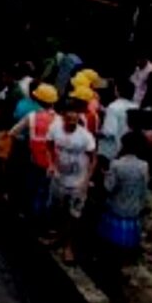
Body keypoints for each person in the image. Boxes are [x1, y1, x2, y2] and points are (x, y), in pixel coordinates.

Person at [48, 102, 95, 262]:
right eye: (68, 119)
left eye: (74, 120)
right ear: (63, 118)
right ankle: (59, 236)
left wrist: (86, 180)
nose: (71, 123)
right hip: (60, 178)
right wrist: (51, 163)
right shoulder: (55, 130)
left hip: (78, 181)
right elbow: (48, 144)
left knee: (74, 215)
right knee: (59, 210)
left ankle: (69, 246)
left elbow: (93, 158)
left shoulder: (85, 136)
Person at [8, 83, 59, 223]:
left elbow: (12, 133)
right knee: (45, 191)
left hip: (34, 159)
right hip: (52, 163)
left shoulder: (32, 116)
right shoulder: (59, 120)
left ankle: (29, 217)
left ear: (38, 100)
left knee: (31, 188)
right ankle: (41, 220)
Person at [98, 132, 149, 268]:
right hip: (133, 208)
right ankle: (126, 258)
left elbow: (109, 187)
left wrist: (105, 175)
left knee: (111, 239)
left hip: (116, 206)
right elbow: (144, 189)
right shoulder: (144, 166)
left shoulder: (116, 164)